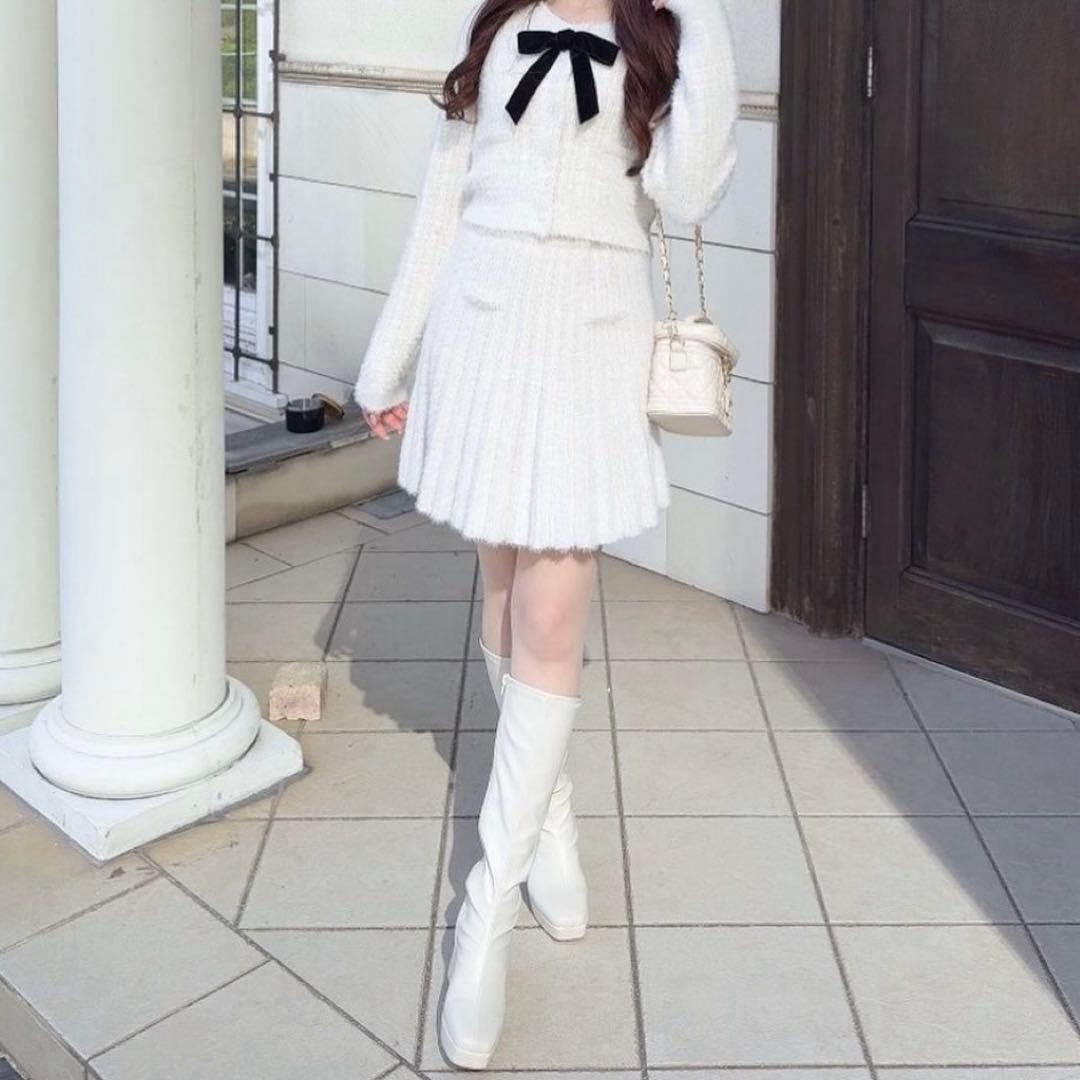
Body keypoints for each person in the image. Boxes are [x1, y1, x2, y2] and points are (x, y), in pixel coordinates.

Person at [353, 0, 737, 1066]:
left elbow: (691, 191)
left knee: (552, 616)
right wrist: (388, 361)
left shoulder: (659, 39)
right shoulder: (497, 31)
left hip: (592, 345)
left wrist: (702, 15)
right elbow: (442, 208)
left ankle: (486, 912)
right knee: (502, 592)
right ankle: (549, 810)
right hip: (481, 332)